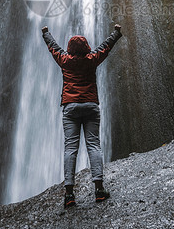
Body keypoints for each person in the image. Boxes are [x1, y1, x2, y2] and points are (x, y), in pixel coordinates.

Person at [41, 24, 123, 208]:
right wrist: (116, 33)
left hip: (70, 107)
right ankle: (99, 190)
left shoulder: (64, 60)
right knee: (93, 145)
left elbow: (53, 47)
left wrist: (46, 33)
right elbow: (106, 46)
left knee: (70, 148)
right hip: (90, 105)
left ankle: (69, 194)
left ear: (69, 49)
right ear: (86, 48)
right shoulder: (92, 59)